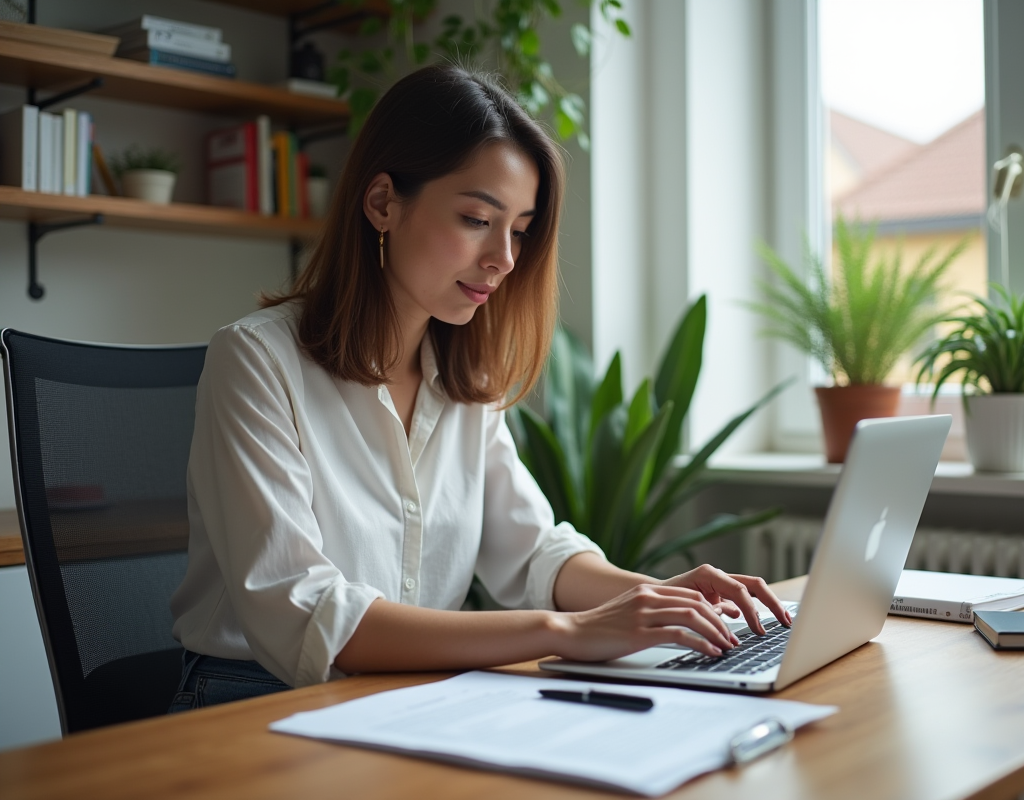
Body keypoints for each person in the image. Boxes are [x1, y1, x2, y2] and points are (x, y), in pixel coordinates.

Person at [168, 64, 790, 712]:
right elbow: (303, 610)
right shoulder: (256, 361)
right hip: (253, 702)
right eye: (476, 218)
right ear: (382, 203)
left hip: (411, 696)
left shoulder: (467, 382)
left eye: (519, 229)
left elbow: (533, 555)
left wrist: (658, 599)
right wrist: (567, 632)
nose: (505, 258)